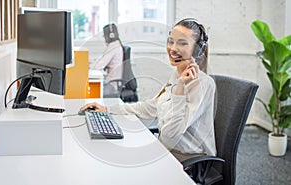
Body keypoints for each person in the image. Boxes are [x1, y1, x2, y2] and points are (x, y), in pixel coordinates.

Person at [81, 18, 216, 162]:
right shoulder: (177, 75)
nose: (173, 48)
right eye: (171, 41)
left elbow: (171, 136)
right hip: (165, 150)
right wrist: (107, 109)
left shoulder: (201, 84)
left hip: (186, 159)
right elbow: (150, 107)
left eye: (182, 43)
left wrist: (180, 89)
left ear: (197, 49)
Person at [93, 23, 124, 95]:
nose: (104, 37)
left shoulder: (113, 47)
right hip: (111, 83)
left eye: (104, 35)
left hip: (110, 85)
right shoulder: (116, 45)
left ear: (111, 35)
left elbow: (98, 67)